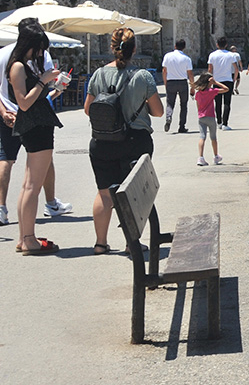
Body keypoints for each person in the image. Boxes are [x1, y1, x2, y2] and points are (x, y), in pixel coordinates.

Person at [85, 28, 163, 255]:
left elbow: (88, 109)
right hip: (135, 141)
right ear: (134, 49)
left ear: (112, 47)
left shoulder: (98, 74)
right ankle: (131, 242)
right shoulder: (143, 76)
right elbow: (157, 112)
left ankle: (100, 243)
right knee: (132, 193)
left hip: (102, 141)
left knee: (104, 193)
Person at [0, 18, 73, 227]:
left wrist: (51, 85)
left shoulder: (24, 63)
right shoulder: (18, 66)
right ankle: (28, 235)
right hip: (31, 124)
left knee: (27, 183)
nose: (41, 53)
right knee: (31, 185)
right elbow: (24, 102)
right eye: (39, 48)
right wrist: (44, 80)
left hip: (32, 123)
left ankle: (25, 236)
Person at [192, 72, 229, 166]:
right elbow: (226, 89)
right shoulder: (211, 91)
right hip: (211, 116)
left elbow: (198, 106)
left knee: (202, 137)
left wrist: (200, 113)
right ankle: (216, 156)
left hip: (201, 117)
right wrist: (216, 82)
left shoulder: (198, 94)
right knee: (213, 137)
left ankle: (200, 157)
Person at [207, 37, 240, 131]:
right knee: (227, 102)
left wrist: (210, 80)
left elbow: (210, 69)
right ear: (226, 45)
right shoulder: (231, 55)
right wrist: (234, 79)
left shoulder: (212, 55)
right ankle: (225, 123)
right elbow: (236, 69)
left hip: (216, 81)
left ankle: (219, 122)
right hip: (228, 80)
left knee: (217, 102)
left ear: (217, 44)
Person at [161, 38, 194, 134]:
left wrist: (165, 82)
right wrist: (192, 86)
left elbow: (164, 71)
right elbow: (190, 74)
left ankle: (168, 117)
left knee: (170, 103)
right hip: (183, 82)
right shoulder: (187, 58)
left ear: (175, 46)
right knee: (183, 105)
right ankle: (182, 126)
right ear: (184, 48)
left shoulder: (168, 56)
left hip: (171, 81)